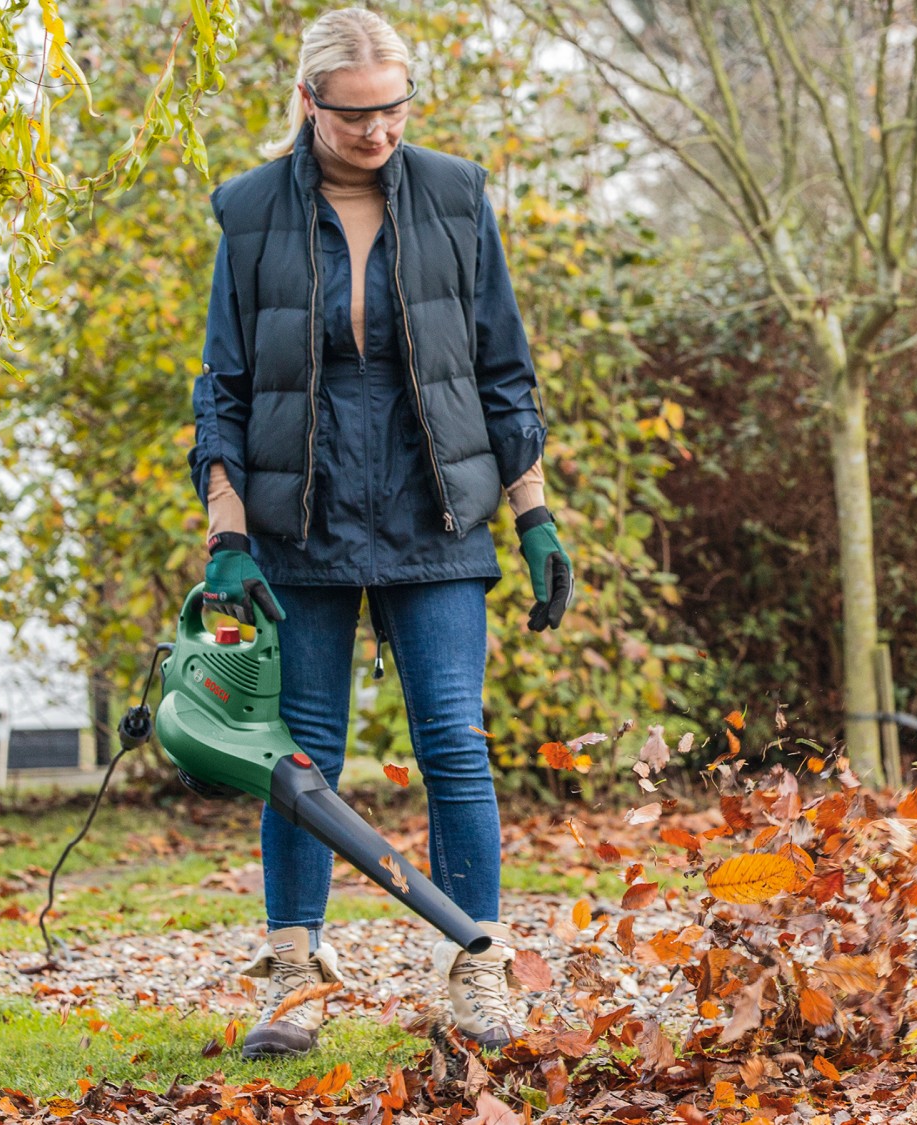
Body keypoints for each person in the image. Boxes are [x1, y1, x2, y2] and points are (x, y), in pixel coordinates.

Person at [188, 8, 572, 1059]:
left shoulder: (453, 195)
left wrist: (531, 510)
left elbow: (501, 368)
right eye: (356, 114)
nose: (379, 133)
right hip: (296, 517)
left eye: (395, 108)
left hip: (434, 506)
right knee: (301, 756)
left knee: (452, 738)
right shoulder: (252, 211)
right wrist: (226, 532)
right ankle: (293, 979)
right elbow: (221, 385)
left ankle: (477, 970)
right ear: (310, 102)